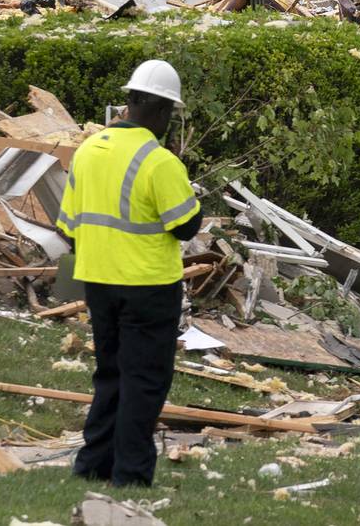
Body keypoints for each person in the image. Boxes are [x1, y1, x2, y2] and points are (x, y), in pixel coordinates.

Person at [57, 60, 203, 486]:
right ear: (161, 111)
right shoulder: (159, 162)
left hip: (98, 281)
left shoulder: (87, 150)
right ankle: (131, 476)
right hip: (148, 287)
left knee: (110, 375)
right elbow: (187, 226)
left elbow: (67, 227)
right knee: (144, 382)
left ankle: (92, 466)